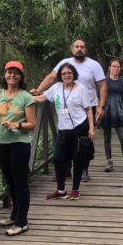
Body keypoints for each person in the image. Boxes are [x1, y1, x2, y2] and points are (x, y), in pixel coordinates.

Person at [32, 39, 106, 181]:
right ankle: (65, 170)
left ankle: (83, 169)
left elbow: (102, 86)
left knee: (84, 142)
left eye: (82, 47)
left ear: (86, 50)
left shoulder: (94, 65)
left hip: (87, 108)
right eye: (77, 47)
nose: (79, 49)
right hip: (67, 108)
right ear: (72, 50)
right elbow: (51, 78)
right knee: (66, 139)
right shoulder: (65, 63)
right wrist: (37, 92)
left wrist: (101, 107)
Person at [0, 61, 36, 236]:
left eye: (16, 73)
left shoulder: (26, 97)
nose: (12, 75)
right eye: (9, 72)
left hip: (20, 144)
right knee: (10, 181)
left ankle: (22, 221)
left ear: (21, 77)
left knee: (20, 183)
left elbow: (32, 124)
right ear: (4, 74)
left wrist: (17, 125)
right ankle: (14, 215)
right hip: (2, 143)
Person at [34, 63, 95, 201]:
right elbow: (42, 98)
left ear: (73, 74)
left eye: (69, 73)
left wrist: (91, 128)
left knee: (78, 160)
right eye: (64, 73)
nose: (67, 75)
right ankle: (61, 190)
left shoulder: (81, 89)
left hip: (79, 129)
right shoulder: (56, 88)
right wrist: (23, 97)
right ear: (60, 76)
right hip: (63, 130)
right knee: (58, 159)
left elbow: (88, 109)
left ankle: (75, 189)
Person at [102, 58, 123, 172]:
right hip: (106, 113)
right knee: (107, 139)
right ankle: (109, 161)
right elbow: (98, 98)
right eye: (113, 66)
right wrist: (98, 111)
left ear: (120, 69)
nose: (115, 68)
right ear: (109, 68)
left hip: (120, 113)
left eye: (118, 66)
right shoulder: (104, 82)